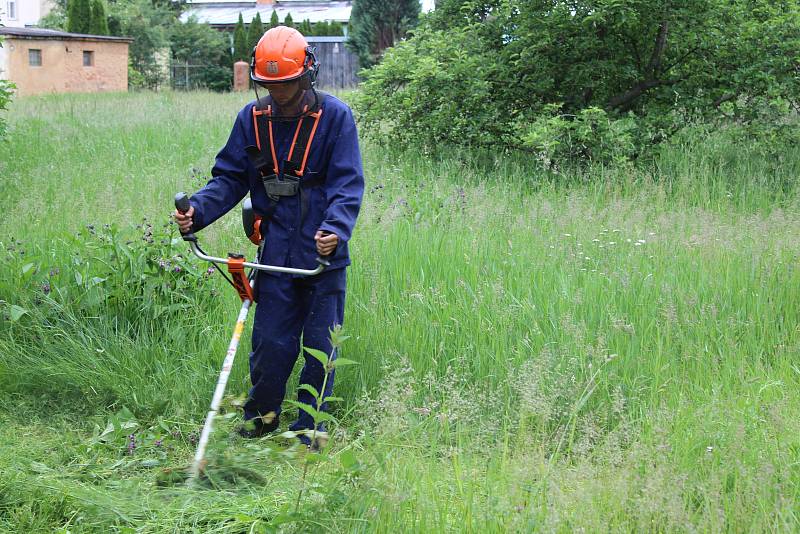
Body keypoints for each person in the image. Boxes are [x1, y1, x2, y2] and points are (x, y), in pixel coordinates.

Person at [174, 26, 364, 445]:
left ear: (307, 74)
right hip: (275, 251)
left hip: (322, 256)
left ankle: (309, 429)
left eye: (289, 84)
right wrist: (197, 211)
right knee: (270, 345)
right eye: (272, 85)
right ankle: (262, 419)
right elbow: (227, 179)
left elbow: (347, 185)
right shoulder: (251, 121)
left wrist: (334, 229)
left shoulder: (335, 118)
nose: (280, 94)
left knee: (320, 349)